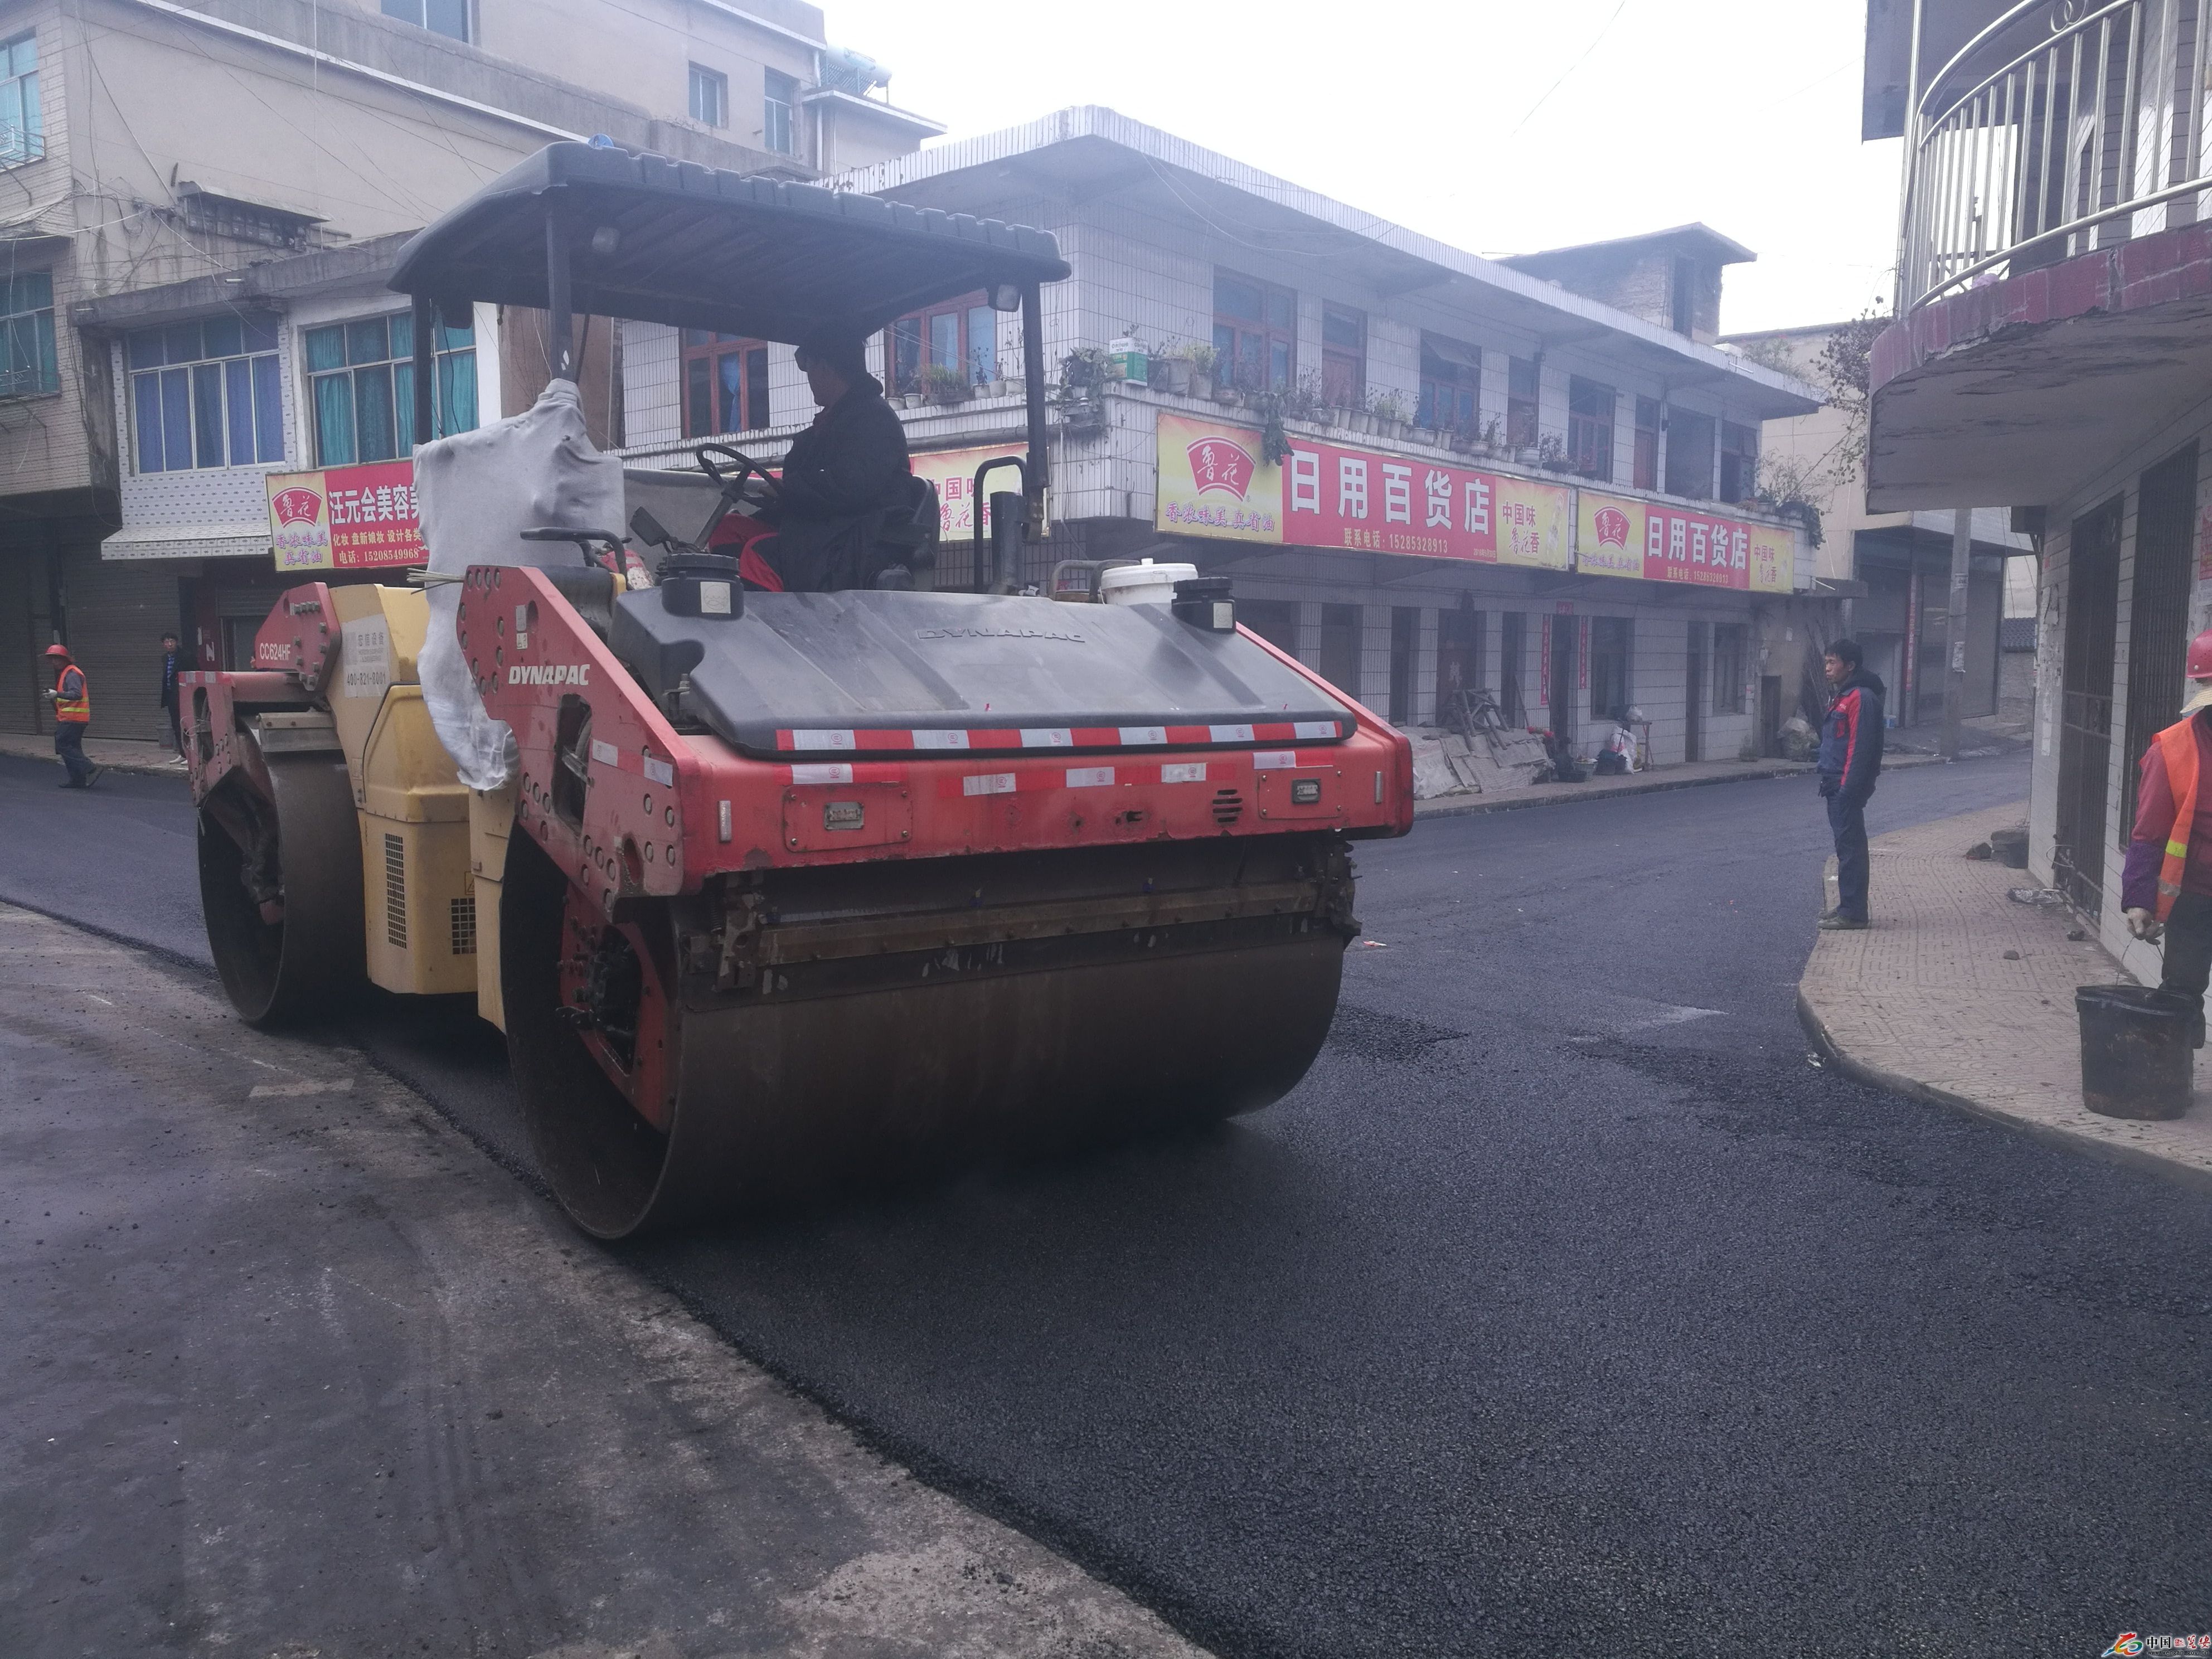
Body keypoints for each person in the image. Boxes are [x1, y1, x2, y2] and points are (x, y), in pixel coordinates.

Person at [746, 324, 913, 593]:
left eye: (810, 368)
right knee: (732, 530)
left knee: (755, 556)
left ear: (824, 366)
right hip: (824, 531)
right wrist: (774, 504)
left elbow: (851, 486)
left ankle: (779, 630)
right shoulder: (833, 421)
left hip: (853, 542)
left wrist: (789, 491)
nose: (809, 378)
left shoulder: (873, 420)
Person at [2121, 626, 2212, 1044]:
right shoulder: (2172, 750)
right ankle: (2170, 1078)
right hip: (2195, 899)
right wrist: (2139, 898)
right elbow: (2150, 833)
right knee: (2182, 993)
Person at [1816, 637, 1885, 930]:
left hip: (1845, 787)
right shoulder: (1843, 695)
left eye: (1833, 663)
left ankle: (1854, 913)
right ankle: (1847, 905)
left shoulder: (1860, 698)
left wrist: (1849, 789)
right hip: (1834, 784)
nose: (1827, 669)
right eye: (1827, 662)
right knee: (1845, 848)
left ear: (1850, 666)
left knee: (1852, 849)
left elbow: (1860, 747)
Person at [42, 643, 98, 789]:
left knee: (62, 745)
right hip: (72, 718)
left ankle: (89, 767)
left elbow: (76, 694)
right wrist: (54, 697)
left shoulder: (71, 673)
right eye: (52, 659)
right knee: (72, 748)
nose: (53, 662)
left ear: (65, 659)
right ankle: (78, 780)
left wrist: (57, 694)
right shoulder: (66, 673)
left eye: (56, 659)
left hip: (73, 719)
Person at [157, 630, 184, 762]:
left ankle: (191, 755)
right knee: (176, 725)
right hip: (170, 696)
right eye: (167, 642)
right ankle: (182, 753)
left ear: (176, 642)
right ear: (163, 644)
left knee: (187, 724)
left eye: (172, 641)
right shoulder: (165, 658)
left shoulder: (185, 656)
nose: (170, 644)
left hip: (183, 695)